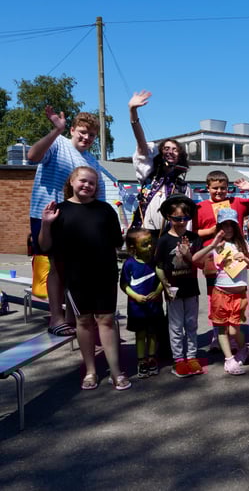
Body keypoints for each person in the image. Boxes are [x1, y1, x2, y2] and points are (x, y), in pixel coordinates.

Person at [39, 166, 129, 390]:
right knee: (83, 321)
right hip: (76, 277)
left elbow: (117, 242)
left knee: (107, 320)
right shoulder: (59, 211)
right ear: (72, 180)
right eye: (83, 181)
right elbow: (45, 246)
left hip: (104, 273)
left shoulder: (105, 210)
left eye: (92, 183)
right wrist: (46, 223)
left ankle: (116, 371)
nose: (87, 186)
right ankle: (90, 370)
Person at [28, 107, 105, 337]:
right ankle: (56, 317)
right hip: (48, 214)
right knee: (56, 265)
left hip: (77, 218)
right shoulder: (58, 143)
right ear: (72, 130)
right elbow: (32, 156)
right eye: (82, 132)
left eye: (91, 135)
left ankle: (75, 317)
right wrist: (56, 130)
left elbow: (97, 193)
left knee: (74, 267)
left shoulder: (91, 160)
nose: (86, 138)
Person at [193, 209, 249, 375]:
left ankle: (242, 349)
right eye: (224, 225)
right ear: (218, 227)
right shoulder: (215, 245)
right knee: (221, 328)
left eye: (231, 225)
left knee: (235, 329)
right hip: (220, 291)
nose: (228, 229)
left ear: (236, 227)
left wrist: (245, 258)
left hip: (239, 293)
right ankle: (229, 359)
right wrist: (212, 245)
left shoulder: (243, 244)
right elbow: (195, 259)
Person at [128, 91, 192, 237]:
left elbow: (188, 219)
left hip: (170, 237)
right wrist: (133, 111)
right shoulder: (148, 174)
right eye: (166, 148)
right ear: (160, 152)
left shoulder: (184, 187)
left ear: (180, 156)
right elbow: (141, 142)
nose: (170, 152)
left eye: (175, 150)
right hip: (143, 234)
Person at [154, 194, 203, 378]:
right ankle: (178, 359)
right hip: (173, 290)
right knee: (175, 326)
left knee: (191, 324)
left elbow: (199, 263)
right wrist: (164, 286)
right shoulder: (164, 240)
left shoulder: (194, 238)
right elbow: (158, 265)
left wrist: (188, 254)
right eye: (177, 218)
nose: (182, 222)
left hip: (191, 288)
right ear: (169, 217)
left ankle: (191, 356)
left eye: (185, 218)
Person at [120, 228, 165, 379]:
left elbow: (162, 280)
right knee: (140, 334)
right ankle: (141, 361)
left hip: (154, 306)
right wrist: (135, 296)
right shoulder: (129, 264)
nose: (150, 247)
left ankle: (152, 358)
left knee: (153, 333)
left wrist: (158, 291)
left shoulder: (155, 261)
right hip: (137, 308)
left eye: (150, 243)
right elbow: (124, 284)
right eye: (145, 244)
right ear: (133, 248)